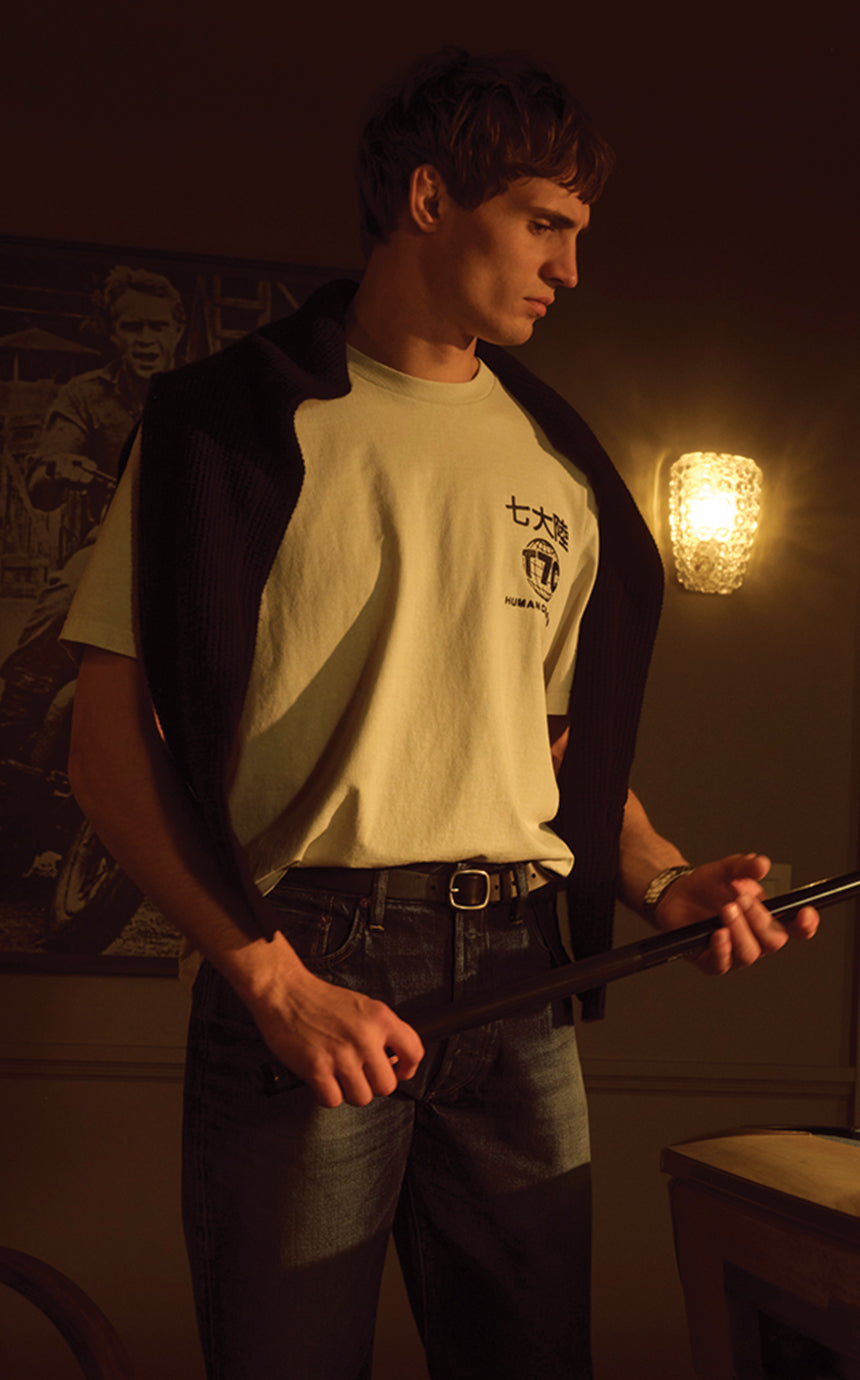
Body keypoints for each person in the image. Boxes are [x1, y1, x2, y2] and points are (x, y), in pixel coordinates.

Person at [62, 48, 818, 1380]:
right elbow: (107, 749)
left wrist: (659, 880)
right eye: (546, 223)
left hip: (527, 976)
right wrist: (270, 981)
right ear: (428, 198)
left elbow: (543, 748)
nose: (571, 269)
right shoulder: (224, 428)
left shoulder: (564, 468)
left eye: (579, 236)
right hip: (310, 961)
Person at [0, 267, 185, 760]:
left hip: (196, 545)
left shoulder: (204, 392)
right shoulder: (85, 396)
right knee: (56, 614)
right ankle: (14, 749)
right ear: (112, 333)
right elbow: (41, 491)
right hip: (112, 546)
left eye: (157, 327)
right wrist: (58, 468)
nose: (146, 340)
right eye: (132, 328)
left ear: (177, 329)